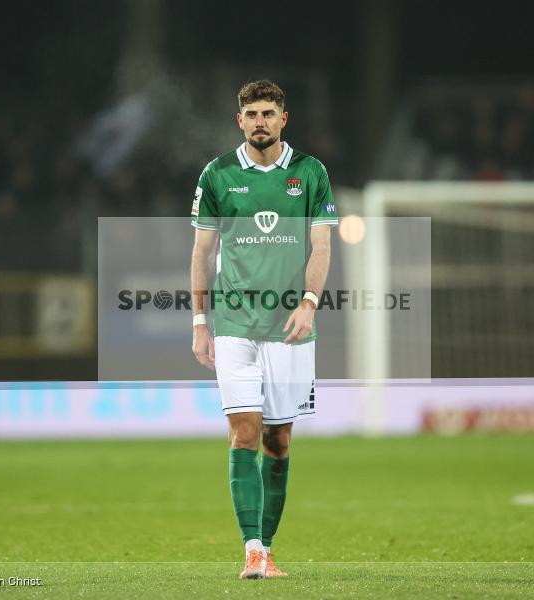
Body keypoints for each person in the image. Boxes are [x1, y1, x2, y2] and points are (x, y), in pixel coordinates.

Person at [189, 80, 338, 580]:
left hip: (289, 327)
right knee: (243, 431)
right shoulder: (218, 174)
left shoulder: (309, 173)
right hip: (233, 322)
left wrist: (310, 303)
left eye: (268, 113)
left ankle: (268, 547)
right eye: (251, 113)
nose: (259, 121)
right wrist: (199, 322)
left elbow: (321, 247)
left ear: (283, 118)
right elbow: (202, 253)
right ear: (240, 121)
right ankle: (252, 550)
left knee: (278, 440)